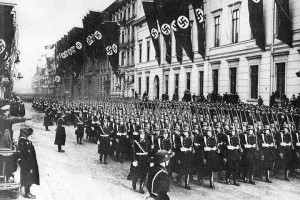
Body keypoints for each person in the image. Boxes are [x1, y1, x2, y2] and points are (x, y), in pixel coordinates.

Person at [18, 128, 40, 199]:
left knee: (26, 177)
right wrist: (31, 166)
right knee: (28, 177)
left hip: (26, 164)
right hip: (28, 164)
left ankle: (26, 191)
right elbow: (28, 155)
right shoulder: (26, 143)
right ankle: (27, 193)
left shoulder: (23, 141)